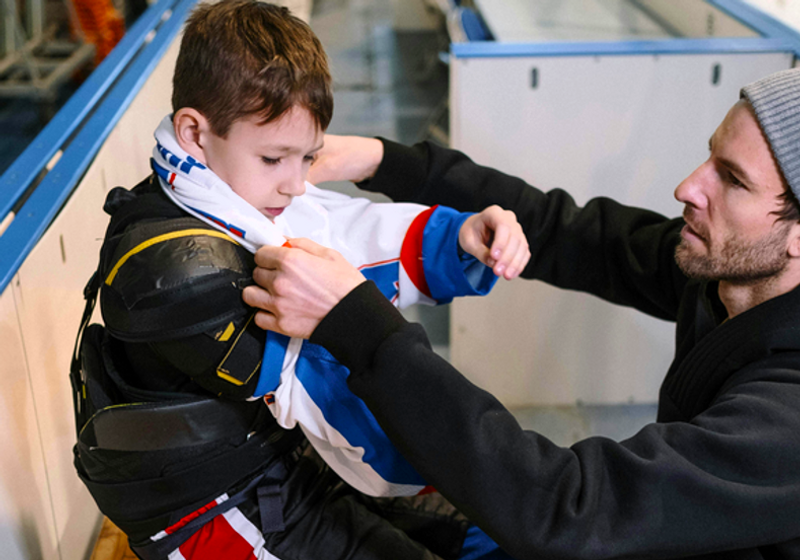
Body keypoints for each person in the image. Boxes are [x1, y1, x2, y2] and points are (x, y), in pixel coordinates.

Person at [242, 68, 800, 560]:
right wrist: (381, 161)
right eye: (710, 157)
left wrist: (356, 323)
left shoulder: (786, 418)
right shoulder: (729, 275)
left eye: (732, 180)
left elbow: (570, 511)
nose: (688, 187)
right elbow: (572, 233)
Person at [71, 2, 530, 559]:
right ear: (194, 131)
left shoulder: (226, 185)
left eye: (308, 156)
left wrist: (457, 239)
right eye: (275, 158)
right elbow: (345, 406)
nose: (296, 183)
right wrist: (489, 472)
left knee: (491, 532)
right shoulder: (184, 275)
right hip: (211, 512)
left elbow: (341, 231)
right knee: (492, 515)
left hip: (278, 453)